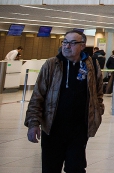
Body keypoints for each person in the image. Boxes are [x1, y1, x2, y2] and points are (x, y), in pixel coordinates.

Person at [25, 30, 104, 172]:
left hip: (79, 129)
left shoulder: (92, 65)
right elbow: (37, 96)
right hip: (53, 127)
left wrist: (98, 111)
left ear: (82, 45)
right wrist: (33, 123)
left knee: (76, 168)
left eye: (73, 43)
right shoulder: (51, 65)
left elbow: (98, 94)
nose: (67, 46)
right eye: (65, 42)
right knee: (51, 168)